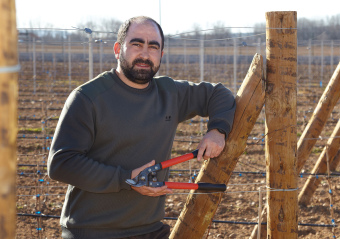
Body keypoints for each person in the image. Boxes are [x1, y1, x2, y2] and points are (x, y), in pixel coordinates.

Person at [47, 16, 236, 239]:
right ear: (118, 49)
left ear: (161, 55)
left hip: (149, 230)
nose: (145, 54)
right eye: (137, 44)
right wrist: (125, 179)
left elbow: (218, 93)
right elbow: (61, 163)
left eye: (153, 47)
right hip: (92, 231)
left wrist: (217, 130)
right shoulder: (88, 98)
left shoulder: (169, 93)